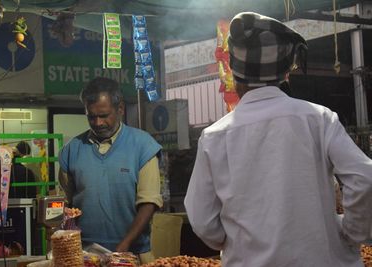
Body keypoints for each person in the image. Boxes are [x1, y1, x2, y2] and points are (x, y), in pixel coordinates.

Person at [184, 12, 372, 267]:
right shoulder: (318, 119)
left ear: (235, 76)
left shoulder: (214, 137)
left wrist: (235, 241)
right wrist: (352, 233)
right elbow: (364, 179)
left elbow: (202, 219)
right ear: (285, 74)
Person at [59, 77, 162, 263]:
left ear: (120, 109)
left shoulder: (143, 146)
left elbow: (149, 204)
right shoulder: (71, 150)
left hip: (133, 255)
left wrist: (123, 246)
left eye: (104, 115)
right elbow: (66, 205)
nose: (98, 122)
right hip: (86, 257)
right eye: (91, 116)